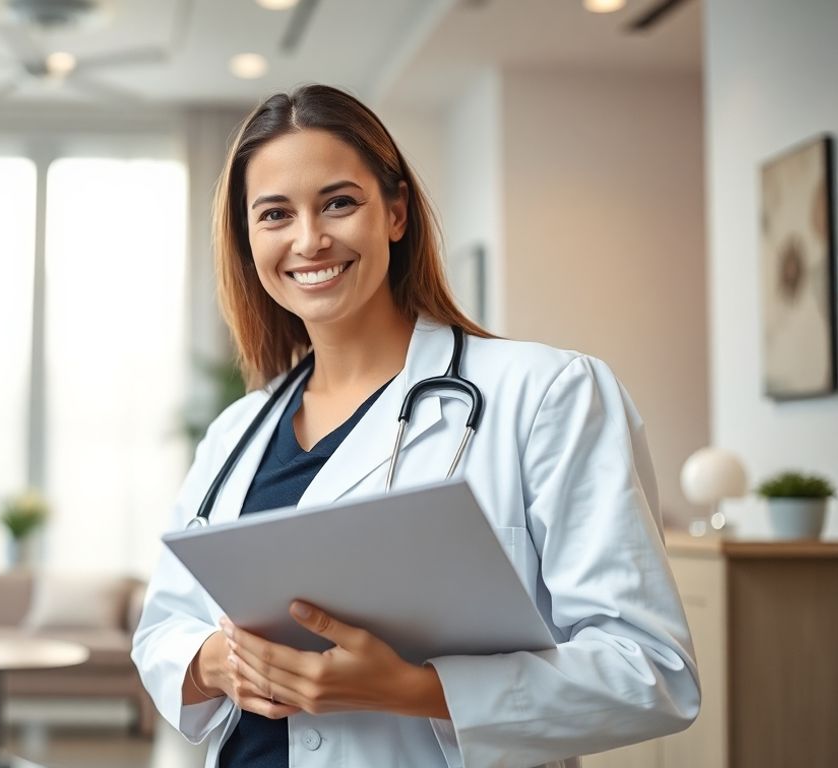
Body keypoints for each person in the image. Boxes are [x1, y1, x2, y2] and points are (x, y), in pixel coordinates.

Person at [131, 84, 700, 768]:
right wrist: (214, 661)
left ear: (395, 213)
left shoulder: (547, 394)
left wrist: (414, 689)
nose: (309, 239)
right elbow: (162, 630)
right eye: (275, 214)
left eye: (339, 203)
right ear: (248, 239)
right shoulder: (237, 432)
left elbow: (651, 671)